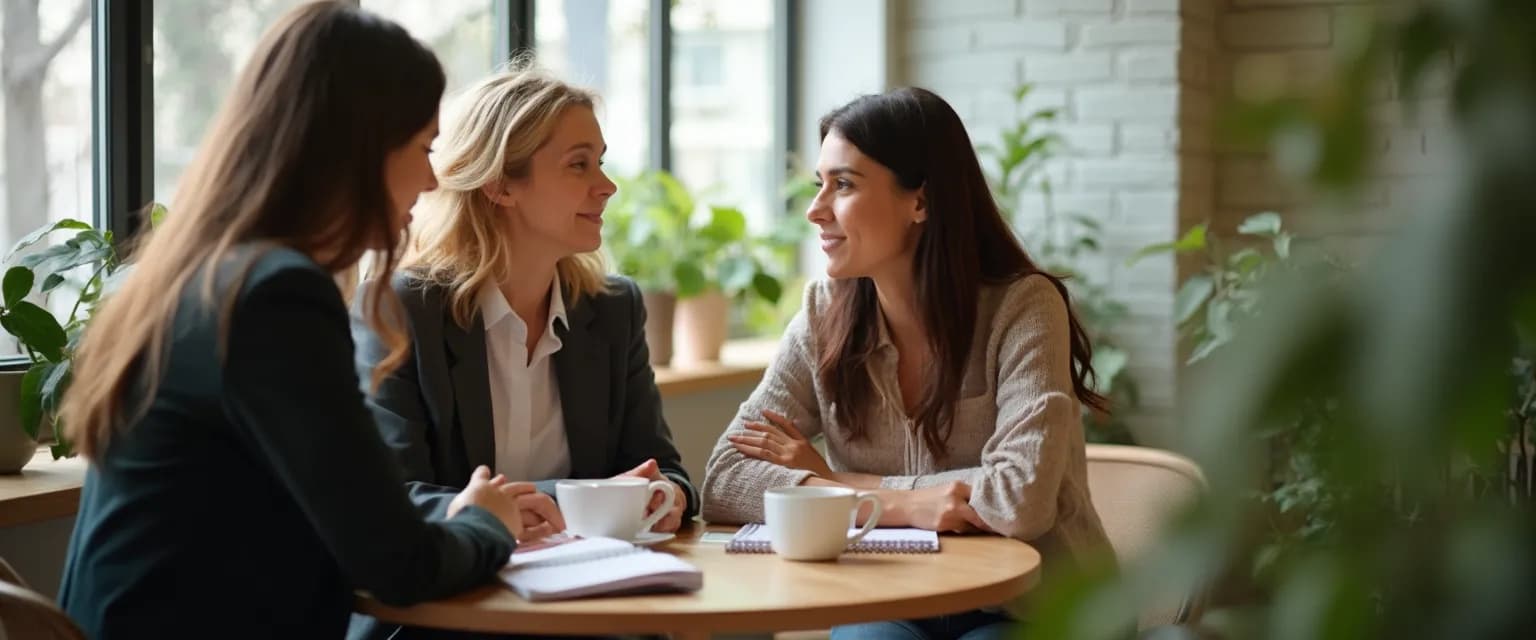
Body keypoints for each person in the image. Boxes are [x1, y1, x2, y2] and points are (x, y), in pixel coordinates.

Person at [55, 4, 526, 638]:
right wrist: (487, 521)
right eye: (423, 146)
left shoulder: (195, 275)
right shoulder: (275, 297)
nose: (432, 177)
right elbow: (398, 563)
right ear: (357, 149)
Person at [700, 87, 1114, 640]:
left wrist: (836, 482)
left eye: (843, 184)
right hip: (892, 597)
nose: (814, 209)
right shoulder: (824, 314)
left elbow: (1019, 500)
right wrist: (909, 504)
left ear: (921, 201)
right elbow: (725, 479)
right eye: (818, 184)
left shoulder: (1024, 308)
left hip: (1033, 605)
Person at [350, 67, 696, 538]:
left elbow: (663, 470)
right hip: (448, 601)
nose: (607, 186)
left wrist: (669, 495)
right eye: (579, 164)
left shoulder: (614, 310)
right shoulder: (401, 309)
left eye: (601, 162)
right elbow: (391, 497)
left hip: (588, 591)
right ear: (500, 185)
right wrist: (580, 498)